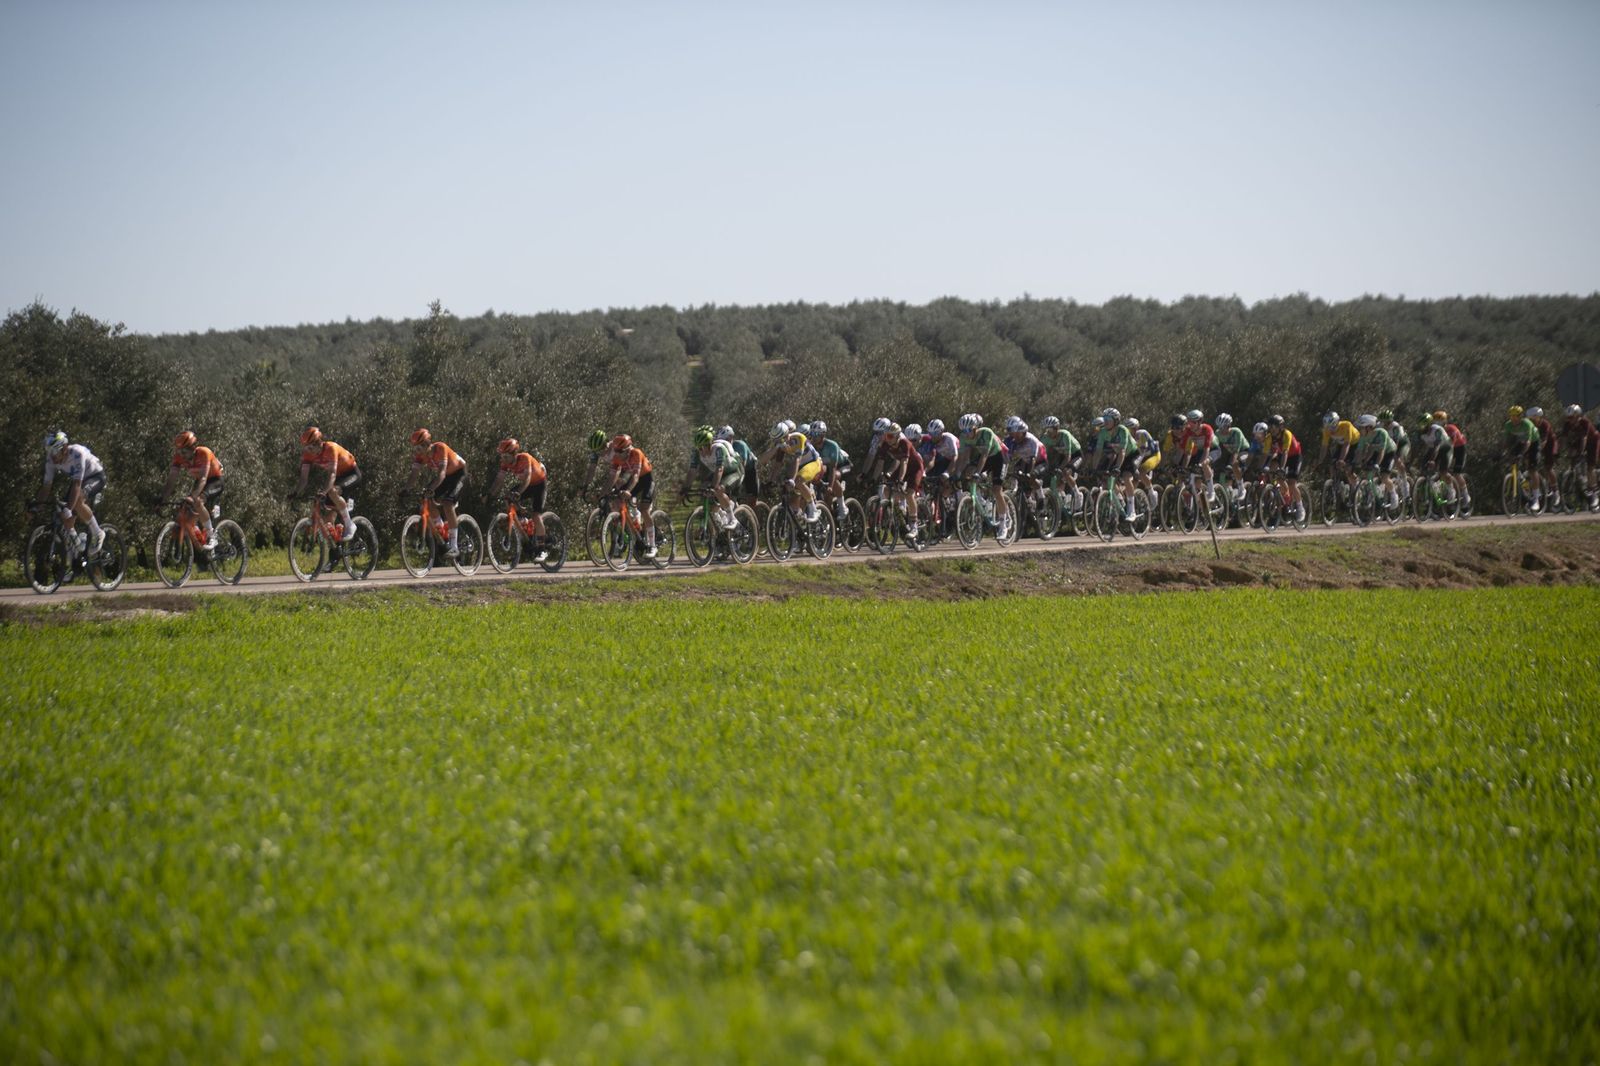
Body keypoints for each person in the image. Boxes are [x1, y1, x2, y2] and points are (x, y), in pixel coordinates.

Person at [39, 430, 107, 554]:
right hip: (79, 479)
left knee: (76, 502)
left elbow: (77, 485)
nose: (52, 456)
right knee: (62, 509)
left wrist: (70, 510)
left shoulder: (77, 453)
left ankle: (98, 533)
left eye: (54, 451)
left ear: (64, 448)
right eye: (48, 451)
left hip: (95, 476)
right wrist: (37, 506)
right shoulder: (51, 459)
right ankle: (78, 544)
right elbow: (46, 487)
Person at [489, 437, 550, 560]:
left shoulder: (525, 458)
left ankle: (542, 549)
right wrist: (489, 494)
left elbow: (527, 478)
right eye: (502, 457)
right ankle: (522, 524)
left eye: (506, 457)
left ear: (514, 454)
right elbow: (499, 480)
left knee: (536, 515)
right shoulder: (505, 463)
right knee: (507, 498)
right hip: (527, 486)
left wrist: (519, 492)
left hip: (539, 484)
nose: (503, 460)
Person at [294, 426, 360, 539]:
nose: (307, 450)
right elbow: (304, 479)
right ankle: (336, 549)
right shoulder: (308, 454)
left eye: (309, 447)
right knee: (329, 519)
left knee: (332, 491)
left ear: (318, 442)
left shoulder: (331, 448)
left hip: (351, 474)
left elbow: (332, 474)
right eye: (306, 447)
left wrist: (324, 491)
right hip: (338, 478)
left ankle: (350, 525)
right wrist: (295, 493)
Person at [163, 430, 224, 551]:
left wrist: (193, 496)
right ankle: (201, 539)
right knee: (187, 510)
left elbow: (203, 479)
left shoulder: (204, 452)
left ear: (193, 447)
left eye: (184, 451)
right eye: (179, 451)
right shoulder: (179, 458)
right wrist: (163, 498)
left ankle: (212, 536)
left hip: (215, 479)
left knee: (198, 501)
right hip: (201, 480)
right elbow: (171, 480)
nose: (181, 454)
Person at [953, 413, 1010, 537]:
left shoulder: (986, 432)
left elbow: (984, 455)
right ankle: (981, 501)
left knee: (996, 490)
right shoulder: (964, 437)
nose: (966, 433)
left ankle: (1003, 524)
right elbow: (964, 458)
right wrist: (957, 474)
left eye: (969, 430)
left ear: (975, 428)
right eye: (963, 431)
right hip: (986, 458)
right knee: (968, 471)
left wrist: (978, 473)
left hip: (999, 457)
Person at [603, 433, 659, 558]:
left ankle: (652, 545)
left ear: (628, 450)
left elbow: (635, 476)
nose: (617, 454)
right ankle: (626, 537)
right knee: (617, 501)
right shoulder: (617, 457)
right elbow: (612, 477)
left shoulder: (636, 453)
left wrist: (628, 491)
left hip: (646, 479)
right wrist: (603, 493)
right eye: (615, 451)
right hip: (634, 480)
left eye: (620, 452)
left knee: (644, 509)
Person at [680, 425, 743, 529]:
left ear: (710, 444)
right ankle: (721, 515)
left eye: (703, 447)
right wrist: (685, 488)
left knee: (717, 489)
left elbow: (719, 469)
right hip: (718, 472)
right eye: (698, 448)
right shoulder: (696, 453)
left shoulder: (718, 449)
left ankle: (732, 519)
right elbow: (692, 471)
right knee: (704, 488)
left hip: (734, 471)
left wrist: (713, 487)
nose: (701, 451)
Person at [879, 423, 925, 537]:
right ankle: (901, 513)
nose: (887, 439)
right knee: (886, 490)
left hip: (915, 468)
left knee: (909, 494)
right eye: (885, 436)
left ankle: (914, 526)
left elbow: (904, 462)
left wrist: (900, 480)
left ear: (897, 436)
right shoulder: (885, 444)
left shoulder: (905, 443)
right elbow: (880, 462)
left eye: (890, 436)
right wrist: (879, 477)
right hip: (903, 467)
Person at [1353, 414, 1400, 511]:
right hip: (1375, 451)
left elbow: (1382, 451)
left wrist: (1377, 464)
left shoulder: (1381, 433)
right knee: (1368, 474)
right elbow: (1359, 452)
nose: (1360, 430)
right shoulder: (1363, 437)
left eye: (1361, 428)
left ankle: (1393, 494)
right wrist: (1355, 462)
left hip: (1389, 452)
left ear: (1369, 427)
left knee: (1384, 476)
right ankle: (1376, 493)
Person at [809, 420, 853, 522]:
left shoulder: (832, 445)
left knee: (835, 477)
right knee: (827, 498)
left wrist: (829, 486)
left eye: (816, 434)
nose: (814, 437)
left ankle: (842, 507)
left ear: (823, 435)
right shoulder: (811, 446)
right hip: (827, 469)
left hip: (843, 466)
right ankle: (831, 519)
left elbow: (833, 469)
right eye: (812, 434)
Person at [1502, 405, 1542, 510]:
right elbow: (1506, 442)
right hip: (1520, 442)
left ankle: (1536, 498)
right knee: (1512, 460)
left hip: (1533, 442)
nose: (1514, 419)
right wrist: (1503, 452)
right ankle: (1521, 479)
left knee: (1532, 469)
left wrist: (1522, 454)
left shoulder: (1527, 424)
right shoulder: (1508, 425)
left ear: (1520, 416)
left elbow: (1528, 442)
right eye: (1512, 417)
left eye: (1516, 417)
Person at [1265, 415, 1304, 521]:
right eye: (1270, 427)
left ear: (1280, 427)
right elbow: (1266, 454)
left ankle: (1300, 506)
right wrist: (1262, 467)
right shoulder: (1269, 437)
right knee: (1272, 471)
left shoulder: (1287, 434)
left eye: (1274, 427)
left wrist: (1282, 468)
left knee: (1292, 483)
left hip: (1295, 456)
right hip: (1282, 455)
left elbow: (1286, 452)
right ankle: (1284, 495)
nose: (1272, 430)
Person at [1178, 409, 1217, 501]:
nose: (1190, 424)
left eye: (1193, 422)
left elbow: (1207, 449)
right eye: (1189, 421)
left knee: (1204, 464)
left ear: (1199, 422)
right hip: (1200, 451)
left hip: (1213, 449)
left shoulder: (1206, 429)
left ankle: (1211, 491)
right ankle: (1199, 507)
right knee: (1194, 477)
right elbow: (1184, 450)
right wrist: (1180, 465)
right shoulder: (1188, 430)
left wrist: (1201, 463)